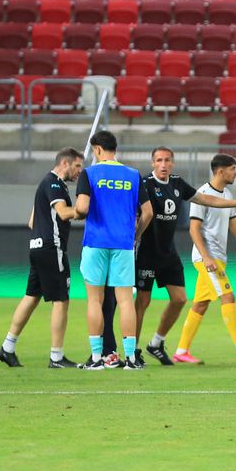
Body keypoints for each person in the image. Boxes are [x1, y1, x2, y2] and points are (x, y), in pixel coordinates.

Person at [132, 146, 236, 366]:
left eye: (167, 160)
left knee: (184, 300)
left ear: (173, 163)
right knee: (143, 302)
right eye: (159, 160)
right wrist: (133, 236)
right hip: (150, 253)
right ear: (153, 163)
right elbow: (193, 228)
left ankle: (163, 345)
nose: (163, 164)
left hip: (169, 252)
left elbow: (211, 203)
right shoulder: (144, 184)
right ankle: (132, 351)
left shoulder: (178, 183)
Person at [172, 154, 236, 363]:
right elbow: (194, 229)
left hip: (218, 258)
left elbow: (234, 226)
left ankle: (181, 351)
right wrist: (206, 257)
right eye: (233, 169)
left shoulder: (227, 194)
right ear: (221, 171)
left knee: (201, 304)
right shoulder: (202, 194)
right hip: (207, 258)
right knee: (228, 296)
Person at [0, 148, 84, 368]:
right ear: (64, 163)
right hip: (52, 247)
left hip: (37, 246)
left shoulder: (46, 183)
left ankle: (7, 347)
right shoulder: (54, 183)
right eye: (77, 166)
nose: (79, 171)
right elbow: (63, 213)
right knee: (61, 300)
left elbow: (31, 222)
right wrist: (84, 209)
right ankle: (56, 357)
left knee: (31, 297)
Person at [73, 131, 151, 370]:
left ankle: (97, 358)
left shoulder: (89, 174)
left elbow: (82, 208)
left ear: (97, 149)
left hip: (96, 242)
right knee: (125, 300)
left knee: (95, 300)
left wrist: (74, 212)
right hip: (123, 244)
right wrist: (135, 235)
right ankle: (130, 359)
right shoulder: (133, 175)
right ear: (114, 149)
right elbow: (148, 212)